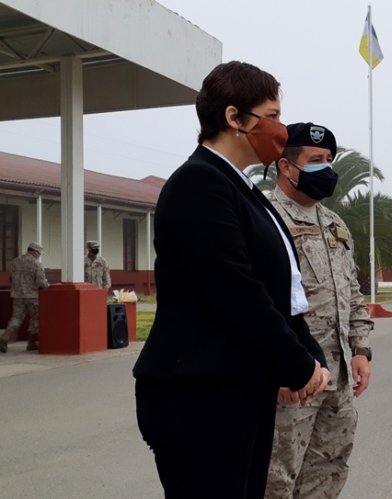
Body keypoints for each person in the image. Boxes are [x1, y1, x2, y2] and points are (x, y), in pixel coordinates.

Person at [132, 61, 331, 499]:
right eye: (272, 115)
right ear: (234, 118)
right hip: (199, 394)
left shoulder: (239, 187)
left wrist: (304, 355)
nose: (280, 128)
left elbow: (280, 287)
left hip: (237, 387)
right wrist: (296, 365)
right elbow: (234, 290)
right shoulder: (198, 183)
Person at [266, 123, 375, 498]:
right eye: (315, 160)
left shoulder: (333, 223)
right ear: (286, 166)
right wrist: (278, 367)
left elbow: (352, 291)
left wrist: (360, 349)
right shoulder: (266, 219)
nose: (326, 168)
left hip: (338, 377)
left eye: (329, 159)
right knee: (276, 478)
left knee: (328, 470)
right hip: (294, 377)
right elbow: (258, 304)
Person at [0, 242, 49, 353]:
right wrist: (47, 285)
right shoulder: (36, 264)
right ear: (34, 252)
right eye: (39, 253)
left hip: (17, 295)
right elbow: (41, 282)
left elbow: (11, 278)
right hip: (32, 296)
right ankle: (32, 342)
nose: (39, 255)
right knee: (35, 318)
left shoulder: (14, 262)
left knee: (16, 318)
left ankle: (5, 337)